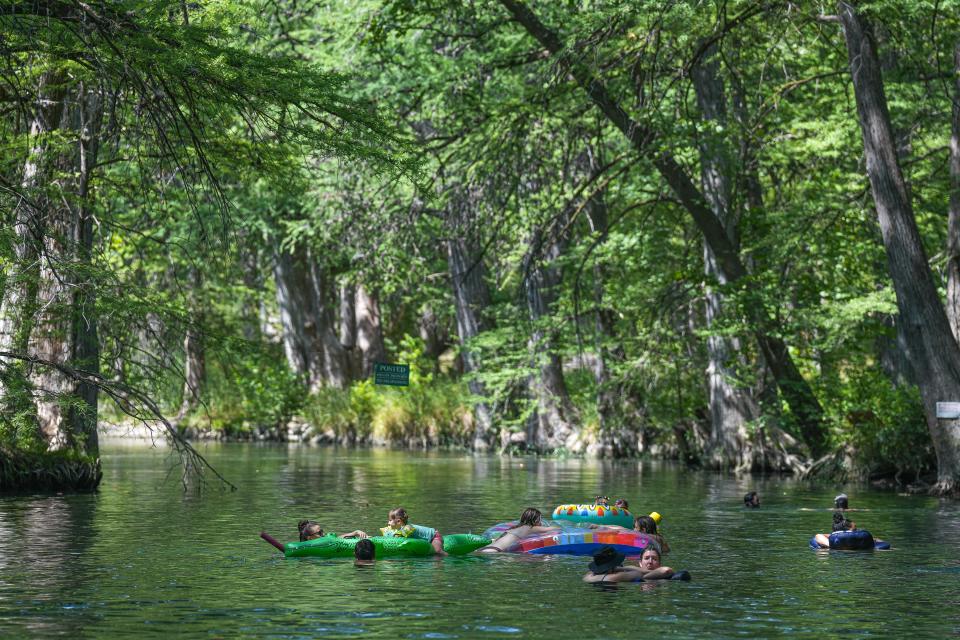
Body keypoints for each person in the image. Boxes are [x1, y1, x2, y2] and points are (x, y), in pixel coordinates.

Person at [583, 544, 680, 583]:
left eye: (654, 559)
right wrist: (622, 568)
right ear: (640, 563)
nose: (650, 562)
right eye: (646, 558)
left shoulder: (588, 577)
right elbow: (666, 570)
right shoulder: (622, 575)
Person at [478, 508, 559, 553]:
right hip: (495, 552)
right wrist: (561, 528)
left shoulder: (513, 528)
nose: (541, 522)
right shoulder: (531, 527)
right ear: (535, 521)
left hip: (487, 548)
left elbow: (497, 540)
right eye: (540, 520)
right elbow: (551, 529)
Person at [379, 507, 445, 555]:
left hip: (434, 536)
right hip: (426, 540)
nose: (388, 523)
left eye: (390, 520)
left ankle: (448, 559)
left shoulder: (408, 528)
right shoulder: (398, 529)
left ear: (399, 521)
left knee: (437, 551)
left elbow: (397, 539)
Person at [297, 520, 368, 542]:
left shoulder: (325, 539)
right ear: (309, 538)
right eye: (320, 533)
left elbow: (336, 538)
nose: (323, 534)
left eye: (322, 531)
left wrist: (355, 533)